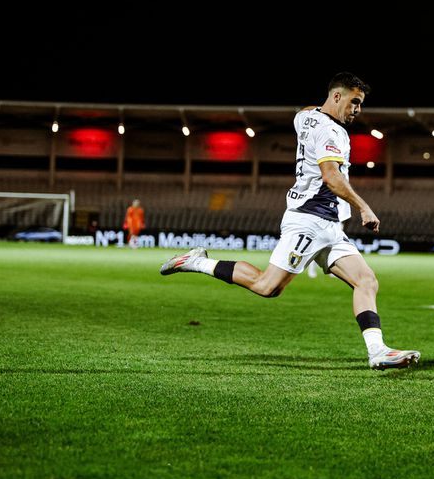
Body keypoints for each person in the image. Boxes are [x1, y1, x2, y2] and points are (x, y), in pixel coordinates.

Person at [159, 72, 420, 370]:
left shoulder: (305, 118)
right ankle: (195, 262)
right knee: (267, 286)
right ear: (337, 97)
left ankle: (378, 351)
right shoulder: (331, 133)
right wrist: (364, 207)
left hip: (330, 226)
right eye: (354, 102)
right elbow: (331, 176)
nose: (358, 110)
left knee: (366, 280)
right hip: (309, 221)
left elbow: (309, 110)